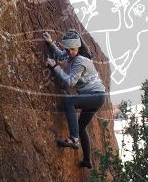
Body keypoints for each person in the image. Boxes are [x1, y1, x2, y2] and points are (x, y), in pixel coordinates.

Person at [43, 29, 107, 169]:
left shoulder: (80, 60)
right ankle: (87, 161)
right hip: (97, 96)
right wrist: (51, 43)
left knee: (69, 102)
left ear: (78, 47)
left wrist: (55, 67)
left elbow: (71, 82)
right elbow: (62, 54)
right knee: (82, 127)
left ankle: (73, 138)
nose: (70, 52)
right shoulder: (71, 54)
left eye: (73, 49)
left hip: (95, 95)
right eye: (68, 49)